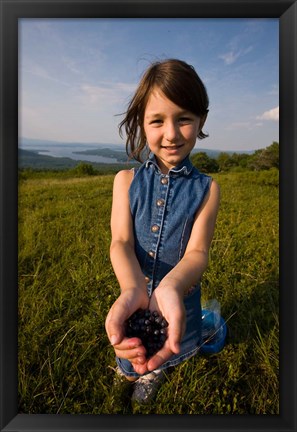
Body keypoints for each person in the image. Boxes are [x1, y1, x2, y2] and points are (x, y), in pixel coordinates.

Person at [105, 58, 220, 404]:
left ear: (201, 120)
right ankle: (135, 368)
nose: (171, 134)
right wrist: (132, 288)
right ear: (142, 122)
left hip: (179, 299)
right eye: (157, 121)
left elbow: (198, 252)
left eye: (184, 119)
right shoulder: (125, 182)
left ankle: (156, 371)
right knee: (135, 346)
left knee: (167, 345)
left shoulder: (208, 189)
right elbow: (121, 242)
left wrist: (169, 285)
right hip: (136, 300)